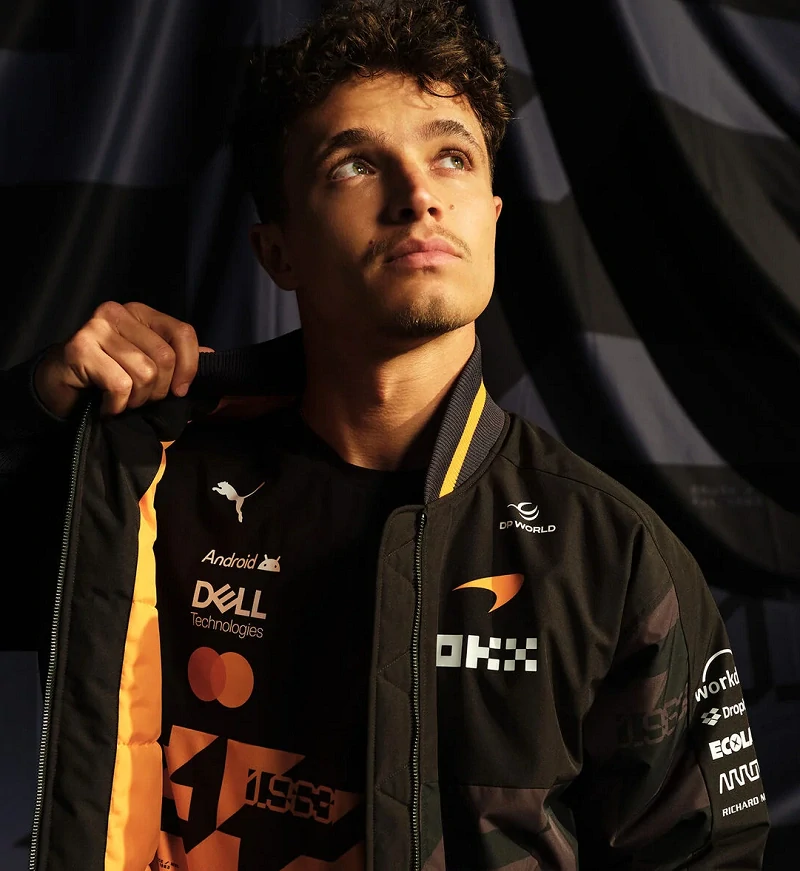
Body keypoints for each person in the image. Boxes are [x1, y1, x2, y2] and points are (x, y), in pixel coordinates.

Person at [1, 1, 769, 869]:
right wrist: (35, 410)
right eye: (356, 164)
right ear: (278, 252)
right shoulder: (148, 481)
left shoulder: (614, 552)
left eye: (452, 156)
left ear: (491, 215)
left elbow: (708, 854)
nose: (419, 197)